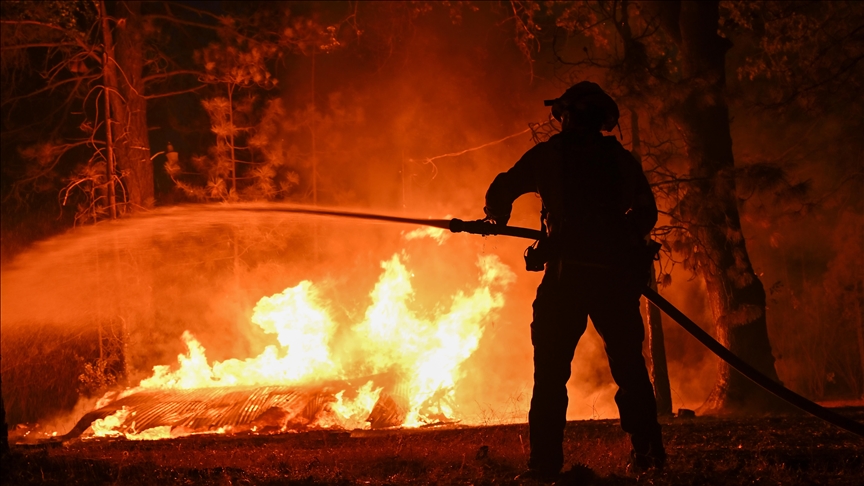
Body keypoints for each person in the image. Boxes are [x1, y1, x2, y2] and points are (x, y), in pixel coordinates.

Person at [483, 82, 664, 481]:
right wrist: (621, 240)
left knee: (550, 375)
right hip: (614, 280)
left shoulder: (549, 156)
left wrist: (496, 216)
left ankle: (544, 465)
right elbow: (646, 213)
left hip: (566, 280)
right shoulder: (620, 161)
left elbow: (502, 188)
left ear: (566, 116)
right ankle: (650, 456)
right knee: (630, 369)